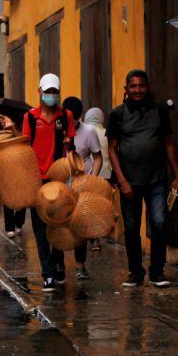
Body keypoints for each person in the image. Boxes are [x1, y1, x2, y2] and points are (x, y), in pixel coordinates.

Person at [108, 69, 178, 288]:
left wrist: (177, 176)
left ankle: (157, 271)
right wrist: (122, 180)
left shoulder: (160, 111)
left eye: (141, 85)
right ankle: (135, 271)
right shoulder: (117, 114)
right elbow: (112, 149)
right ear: (126, 90)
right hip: (129, 182)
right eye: (133, 86)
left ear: (148, 87)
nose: (137, 90)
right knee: (132, 228)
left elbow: (168, 143)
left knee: (159, 223)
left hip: (157, 179)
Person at [4, 73, 76, 292]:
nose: (52, 96)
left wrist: (68, 144)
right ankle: (47, 273)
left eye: (55, 92)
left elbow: (71, 144)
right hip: (37, 180)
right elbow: (25, 146)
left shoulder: (67, 116)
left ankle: (58, 262)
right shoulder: (31, 118)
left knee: (59, 223)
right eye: (48, 92)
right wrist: (12, 130)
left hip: (59, 179)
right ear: (40, 92)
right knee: (39, 228)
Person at [63, 96, 104, 280]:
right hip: (61, 184)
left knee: (80, 225)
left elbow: (98, 157)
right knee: (59, 224)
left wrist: (91, 179)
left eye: (74, 119)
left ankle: (80, 265)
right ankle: (57, 265)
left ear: (80, 116)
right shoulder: (57, 129)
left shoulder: (89, 132)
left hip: (82, 185)